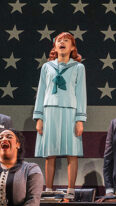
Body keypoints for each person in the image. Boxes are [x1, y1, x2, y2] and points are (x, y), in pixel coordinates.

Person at [33, 32, 87, 197]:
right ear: (55, 46)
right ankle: (48, 190)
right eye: (59, 41)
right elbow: (41, 91)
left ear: (72, 47)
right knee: (50, 153)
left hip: (70, 112)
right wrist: (39, 117)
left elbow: (81, 93)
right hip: (50, 111)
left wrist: (80, 119)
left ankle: (71, 190)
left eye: (66, 41)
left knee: (72, 152)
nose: (62, 43)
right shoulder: (47, 67)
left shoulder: (78, 67)